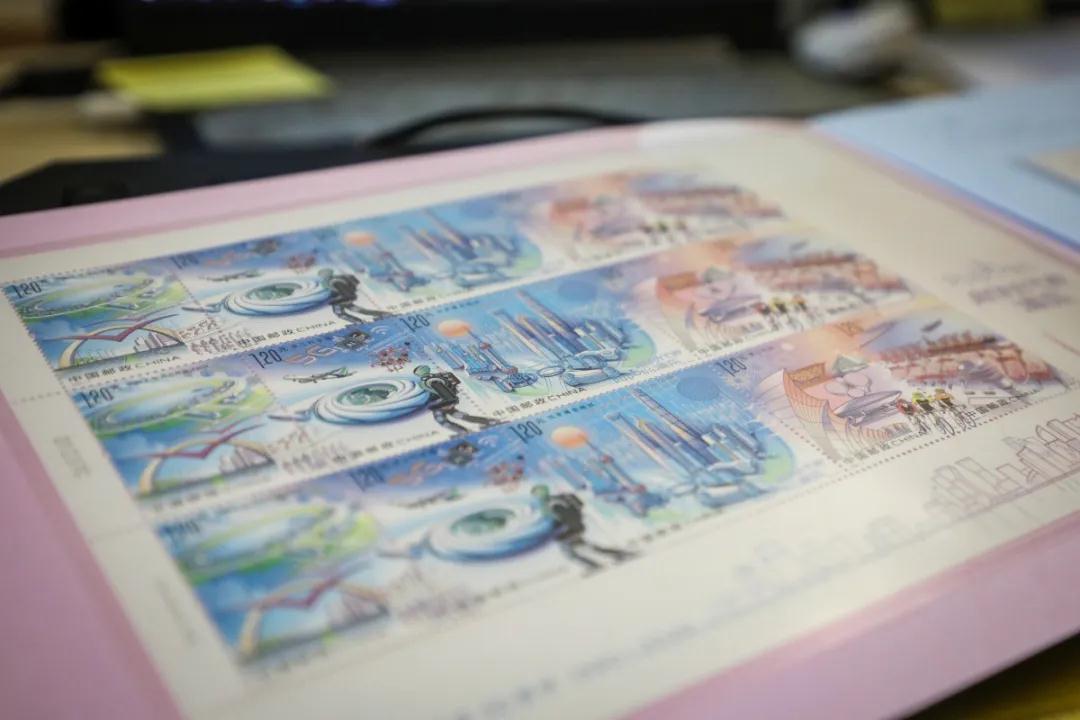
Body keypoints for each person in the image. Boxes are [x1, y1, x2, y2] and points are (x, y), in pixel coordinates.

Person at [531, 484, 634, 572]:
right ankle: (618, 554)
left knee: (571, 553)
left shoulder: (552, 503)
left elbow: (565, 518)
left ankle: (594, 565)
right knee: (588, 548)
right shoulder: (553, 501)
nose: (536, 496)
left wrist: (565, 531)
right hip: (573, 529)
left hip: (570, 530)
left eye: (536, 493)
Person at [413, 365, 497, 434]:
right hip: (442, 402)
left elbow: (449, 387)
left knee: (448, 419)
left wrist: (448, 401)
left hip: (442, 402)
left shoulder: (428, 382)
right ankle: (485, 423)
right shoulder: (433, 379)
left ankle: (468, 430)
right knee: (455, 417)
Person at [318, 268, 390, 323]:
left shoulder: (335, 281)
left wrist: (333, 301)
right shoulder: (334, 280)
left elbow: (345, 293)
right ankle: (382, 314)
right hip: (344, 299)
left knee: (341, 313)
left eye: (322, 274)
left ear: (326, 274)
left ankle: (360, 322)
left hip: (342, 300)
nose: (321, 276)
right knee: (360, 311)